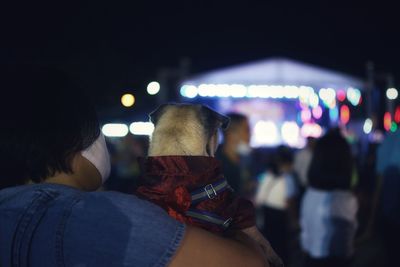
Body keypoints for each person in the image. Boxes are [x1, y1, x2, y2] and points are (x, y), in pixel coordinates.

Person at [0, 66, 270, 267]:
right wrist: (232, 217)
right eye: (97, 131)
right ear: (72, 141)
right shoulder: (112, 217)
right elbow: (249, 262)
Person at [300, 129, 358, 267]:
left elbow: (306, 235)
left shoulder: (310, 193)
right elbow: (343, 248)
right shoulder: (343, 200)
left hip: (311, 258)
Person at [255, 145, 299, 265]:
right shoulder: (288, 178)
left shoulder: (267, 176)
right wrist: (294, 221)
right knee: (282, 248)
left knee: (270, 246)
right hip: (281, 217)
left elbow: (259, 200)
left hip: (268, 216)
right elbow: (291, 202)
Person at [216, 113, 253, 197]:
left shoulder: (245, 161)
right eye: (247, 130)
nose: (250, 135)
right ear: (231, 134)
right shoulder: (216, 166)